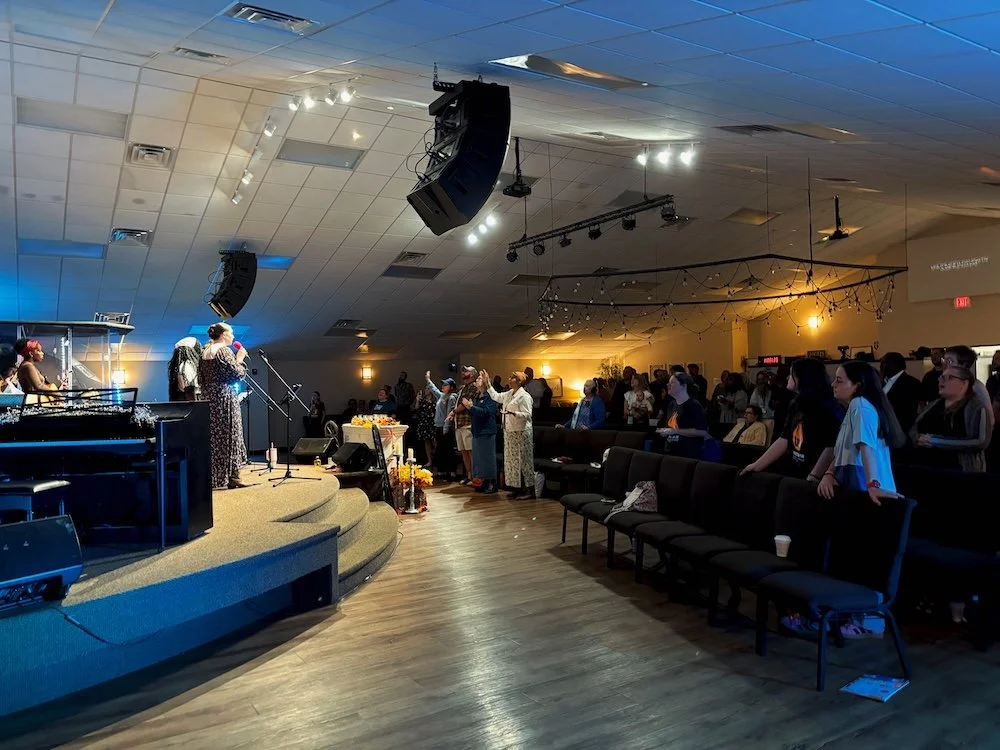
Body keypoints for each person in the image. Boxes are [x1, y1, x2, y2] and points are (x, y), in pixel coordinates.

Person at [742, 357, 843, 482]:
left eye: (791, 374)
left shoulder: (827, 408)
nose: (787, 377)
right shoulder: (796, 404)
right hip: (796, 472)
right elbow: (784, 439)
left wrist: (814, 476)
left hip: (817, 479)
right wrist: (756, 465)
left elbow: (832, 446)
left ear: (802, 377)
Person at [818, 361, 905, 504]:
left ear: (857, 386)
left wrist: (872, 484)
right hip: (862, 488)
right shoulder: (856, 407)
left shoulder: (860, 405)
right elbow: (844, 452)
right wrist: (829, 474)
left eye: (839, 381)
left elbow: (866, 447)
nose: (833, 384)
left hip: (872, 493)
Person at [199, 323, 249, 489]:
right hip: (224, 399)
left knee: (215, 439)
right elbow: (236, 374)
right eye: (231, 333)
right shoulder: (223, 350)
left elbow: (202, 379)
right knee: (231, 434)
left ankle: (215, 477)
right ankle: (233, 477)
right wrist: (239, 359)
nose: (233, 336)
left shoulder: (205, 352)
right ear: (223, 335)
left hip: (210, 399)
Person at [910, 365, 988, 472]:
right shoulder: (934, 404)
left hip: (960, 469)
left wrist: (936, 441)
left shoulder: (976, 407)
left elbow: (980, 442)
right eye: (941, 377)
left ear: (964, 383)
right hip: (928, 466)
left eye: (949, 377)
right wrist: (917, 438)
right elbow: (915, 426)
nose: (941, 380)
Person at [484, 370, 534, 499]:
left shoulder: (524, 396)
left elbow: (528, 415)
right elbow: (496, 396)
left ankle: (528, 490)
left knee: (523, 461)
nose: (509, 378)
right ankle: (516, 488)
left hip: (521, 432)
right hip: (510, 431)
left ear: (519, 381)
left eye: (512, 377)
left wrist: (513, 413)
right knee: (512, 462)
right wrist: (488, 383)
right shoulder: (509, 393)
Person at [943, 345, 995, 440]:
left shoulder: (976, 387)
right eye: (944, 361)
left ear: (964, 365)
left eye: (950, 361)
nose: (945, 365)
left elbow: (989, 421)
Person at [656, 372, 709, 459]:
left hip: (687, 455)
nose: (668, 385)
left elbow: (702, 432)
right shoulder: (671, 405)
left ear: (683, 386)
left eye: (672, 382)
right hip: (670, 452)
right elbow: (670, 428)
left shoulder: (693, 405)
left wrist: (675, 431)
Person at [463, 373, 498, 495]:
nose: (476, 380)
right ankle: (481, 482)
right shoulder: (478, 396)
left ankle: (491, 483)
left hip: (486, 431)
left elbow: (487, 412)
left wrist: (471, 407)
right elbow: (475, 412)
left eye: (479, 379)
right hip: (477, 431)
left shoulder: (490, 397)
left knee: (487, 459)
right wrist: (470, 408)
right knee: (478, 459)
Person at [425, 372, 458, 479]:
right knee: (441, 449)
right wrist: (428, 380)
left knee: (448, 450)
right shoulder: (442, 396)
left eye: (445, 385)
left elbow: (449, 412)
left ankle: (451, 471)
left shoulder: (452, 397)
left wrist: (446, 427)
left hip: (445, 427)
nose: (443, 386)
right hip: (438, 426)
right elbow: (434, 390)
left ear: (451, 387)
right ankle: (442, 470)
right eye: (443, 385)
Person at [880, 352, 921, 435]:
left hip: (900, 431)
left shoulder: (911, 383)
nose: (881, 367)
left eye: (883, 363)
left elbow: (908, 411)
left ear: (893, 365)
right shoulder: (881, 382)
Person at [452, 365, 479, 485]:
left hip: (468, 422)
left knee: (470, 450)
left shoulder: (473, 387)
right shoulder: (463, 388)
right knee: (463, 451)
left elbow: (465, 403)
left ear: (472, 374)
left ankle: (474, 476)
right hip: (459, 423)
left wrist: (453, 412)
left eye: (466, 371)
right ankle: (468, 475)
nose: (464, 373)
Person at [168, 337, 202, 402]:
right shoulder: (188, 365)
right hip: (192, 402)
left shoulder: (181, 365)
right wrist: (196, 407)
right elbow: (189, 388)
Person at [414, 383, 438, 467]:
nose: (426, 390)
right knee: (426, 442)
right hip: (424, 423)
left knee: (434, 442)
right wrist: (417, 399)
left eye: (428, 388)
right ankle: (429, 460)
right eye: (426, 388)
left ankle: (436, 460)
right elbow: (416, 408)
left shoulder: (435, 401)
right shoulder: (422, 400)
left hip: (433, 423)